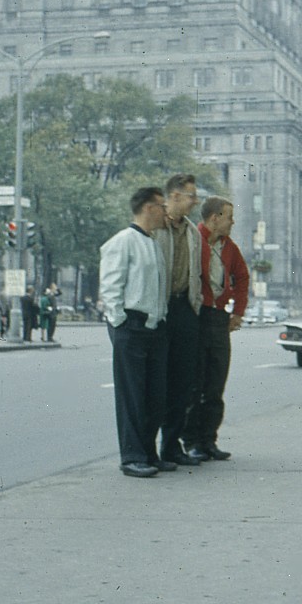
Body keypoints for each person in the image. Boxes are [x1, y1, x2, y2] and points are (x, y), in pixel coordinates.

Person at [99, 186, 170, 478]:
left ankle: (148, 452)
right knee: (132, 395)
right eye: (162, 206)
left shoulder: (153, 242)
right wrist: (119, 321)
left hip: (154, 326)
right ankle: (131, 456)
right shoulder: (123, 241)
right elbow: (111, 286)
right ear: (149, 207)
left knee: (154, 394)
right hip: (132, 324)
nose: (166, 212)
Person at [183, 196, 249, 462]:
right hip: (196, 317)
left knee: (215, 382)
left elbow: (242, 277)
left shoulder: (229, 246)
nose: (232, 222)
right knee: (194, 383)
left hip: (219, 319)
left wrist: (238, 312)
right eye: (229, 216)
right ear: (214, 218)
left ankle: (209, 439)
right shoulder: (193, 241)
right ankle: (191, 441)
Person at [155, 174, 203, 467]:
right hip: (159, 310)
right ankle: (151, 449)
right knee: (157, 381)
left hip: (184, 308)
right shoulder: (155, 228)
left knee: (183, 383)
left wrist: (194, 304)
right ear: (173, 196)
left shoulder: (192, 232)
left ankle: (172, 447)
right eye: (191, 196)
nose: (195, 201)